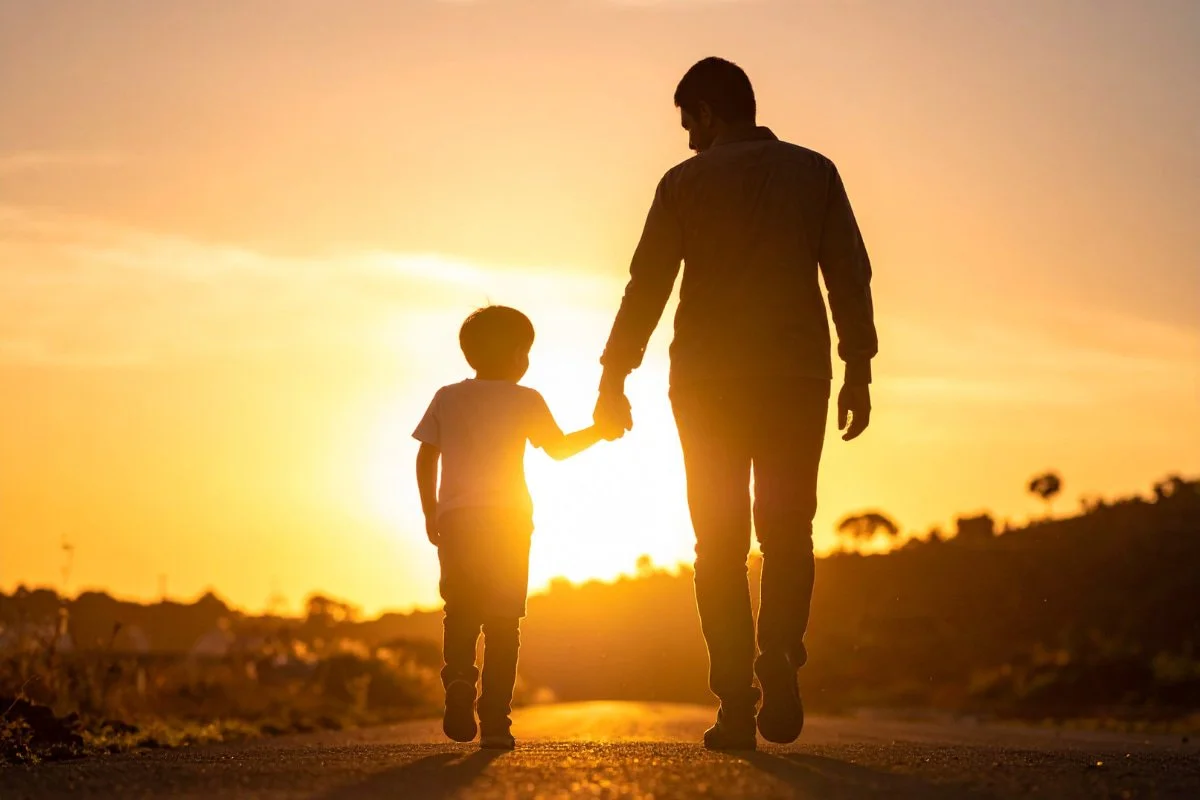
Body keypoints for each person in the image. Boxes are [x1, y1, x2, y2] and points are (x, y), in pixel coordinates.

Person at [594, 57, 878, 751]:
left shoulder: (683, 184)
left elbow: (646, 284)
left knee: (717, 544)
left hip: (707, 383)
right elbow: (848, 271)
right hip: (794, 376)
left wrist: (614, 375)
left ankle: (735, 704)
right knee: (788, 530)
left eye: (689, 122)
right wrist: (858, 367)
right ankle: (778, 655)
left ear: (708, 113)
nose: (689, 138)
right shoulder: (815, 172)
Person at [414, 305, 621, 749]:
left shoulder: (447, 397)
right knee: (504, 622)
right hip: (508, 521)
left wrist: (431, 510)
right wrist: (599, 432)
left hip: (458, 520)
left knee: (460, 610)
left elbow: (426, 455)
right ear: (516, 355)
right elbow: (559, 450)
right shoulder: (526, 399)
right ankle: (495, 721)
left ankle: (459, 680)